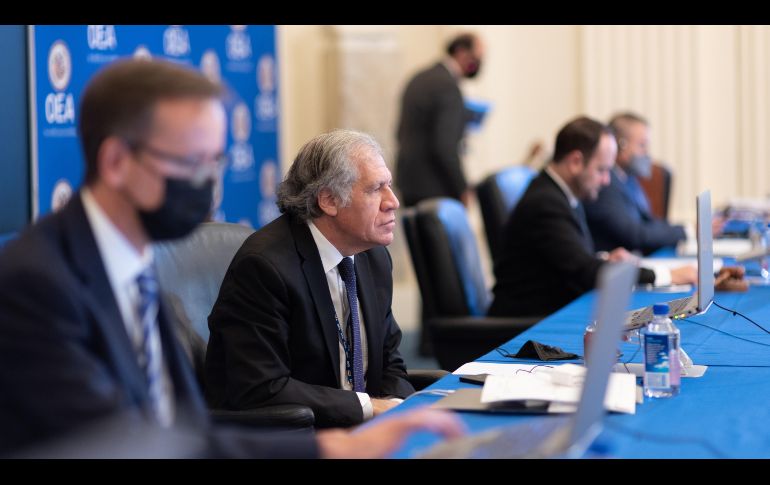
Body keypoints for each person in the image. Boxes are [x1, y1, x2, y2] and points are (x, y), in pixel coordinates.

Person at [0, 59, 464, 458]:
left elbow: (183, 431)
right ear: (118, 161)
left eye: (215, 163)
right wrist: (332, 446)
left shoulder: (132, 268)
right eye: (191, 163)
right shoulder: (36, 284)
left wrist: (333, 447)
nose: (208, 185)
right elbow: (127, 444)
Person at [206, 129, 415, 428]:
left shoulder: (373, 257)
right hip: (295, 438)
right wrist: (369, 408)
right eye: (375, 189)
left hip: (364, 433)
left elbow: (390, 361)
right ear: (328, 200)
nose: (392, 201)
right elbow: (262, 388)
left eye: (390, 186)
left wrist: (398, 410)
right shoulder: (266, 268)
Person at [488, 116, 696, 318]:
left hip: (552, 310)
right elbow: (586, 273)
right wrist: (668, 275)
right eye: (602, 170)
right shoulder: (546, 203)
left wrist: (603, 259)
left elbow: (564, 260)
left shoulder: (560, 192)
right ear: (576, 162)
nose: (607, 181)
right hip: (525, 327)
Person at [395, 32, 484, 207]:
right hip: (436, 187)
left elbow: (400, 132)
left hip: (409, 183)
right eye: (477, 57)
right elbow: (444, 146)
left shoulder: (419, 77)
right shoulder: (448, 86)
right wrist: (462, 187)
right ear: (461, 52)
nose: (479, 63)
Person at [583, 112, 687, 255]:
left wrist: (686, 229)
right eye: (642, 145)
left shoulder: (627, 178)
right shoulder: (605, 183)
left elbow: (649, 222)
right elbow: (635, 235)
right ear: (621, 145)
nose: (647, 153)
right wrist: (687, 231)